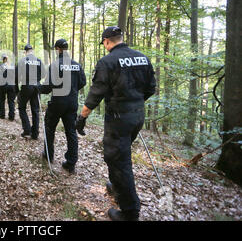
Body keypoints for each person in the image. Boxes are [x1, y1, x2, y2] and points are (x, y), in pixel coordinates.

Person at [75, 26, 156, 221]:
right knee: (119, 155)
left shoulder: (108, 61)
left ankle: (130, 211)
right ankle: (117, 186)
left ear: (107, 41)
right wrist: (134, 104)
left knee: (119, 161)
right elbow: (151, 88)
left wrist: (82, 117)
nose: (104, 46)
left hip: (119, 119)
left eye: (103, 43)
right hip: (137, 116)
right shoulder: (142, 58)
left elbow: (96, 94)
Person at [39, 39, 86, 174]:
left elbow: (48, 87)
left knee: (49, 127)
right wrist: (72, 89)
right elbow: (83, 82)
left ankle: (48, 155)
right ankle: (71, 162)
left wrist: (39, 88)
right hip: (72, 103)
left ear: (58, 49)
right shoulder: (76, 65)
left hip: (58, 102)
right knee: (71, 131)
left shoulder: (55, 65)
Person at [16, 44, 46, 140]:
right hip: (37, 87)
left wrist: (17, 88)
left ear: (25, 52)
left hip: (26, 86)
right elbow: (43, 74)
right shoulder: (38, 61)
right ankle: (35, 133)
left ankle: (27, 129)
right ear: (32, 50)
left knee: (21, 107)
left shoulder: (22, 61)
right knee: (35, 110)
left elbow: (16, 76)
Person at [0, 54, 16, 120]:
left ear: (3, 59)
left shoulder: (1, 66)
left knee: (2, 100)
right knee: (11, 101)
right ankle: (11, 116)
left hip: (3, 85)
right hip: (12, 85)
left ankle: (2, 114)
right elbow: (16, 76)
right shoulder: (13, 66)